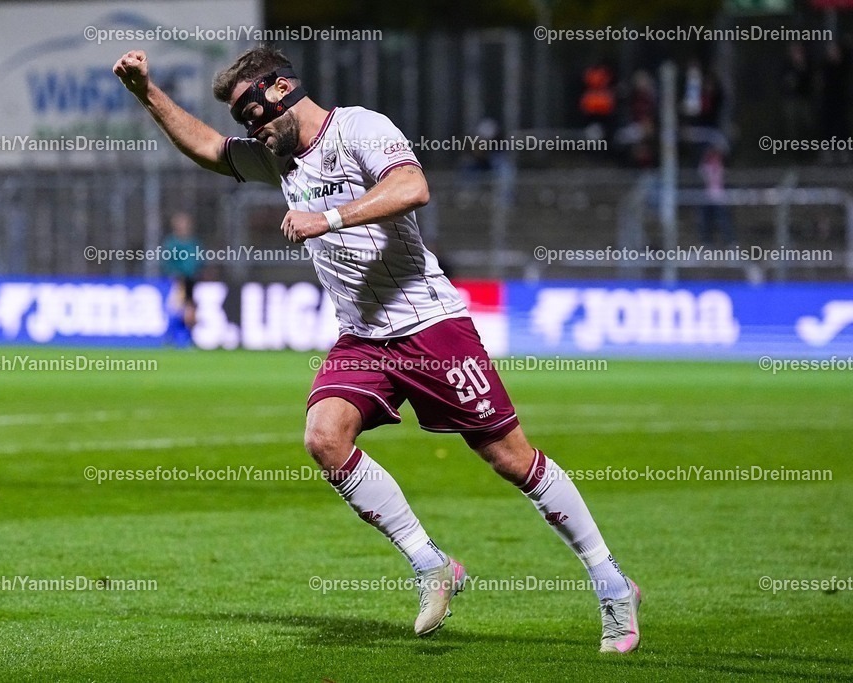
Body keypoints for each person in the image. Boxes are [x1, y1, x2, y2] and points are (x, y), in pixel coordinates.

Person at [114, 45, 641, 652]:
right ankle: (432, 564)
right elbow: (208, 149)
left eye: (253, 114)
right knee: (323, 437)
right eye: (243, 122)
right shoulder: (278, 158)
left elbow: (413, 186)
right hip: (363, 336)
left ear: (280, 90)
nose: (250, 130)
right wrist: (146, 92)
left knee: (511, 460)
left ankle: (611, 584)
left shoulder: (360, 128)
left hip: (430, 326)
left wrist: (331, 218)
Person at [161, 211, 202, 345]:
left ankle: (188, 339)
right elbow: (167, 262)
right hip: (179, 281)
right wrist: (174, 274)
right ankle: (170, 337)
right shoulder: (172, 243)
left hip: (192, 280)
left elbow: (200, 259)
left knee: (191, 311)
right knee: (177, 309)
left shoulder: (193, 242)